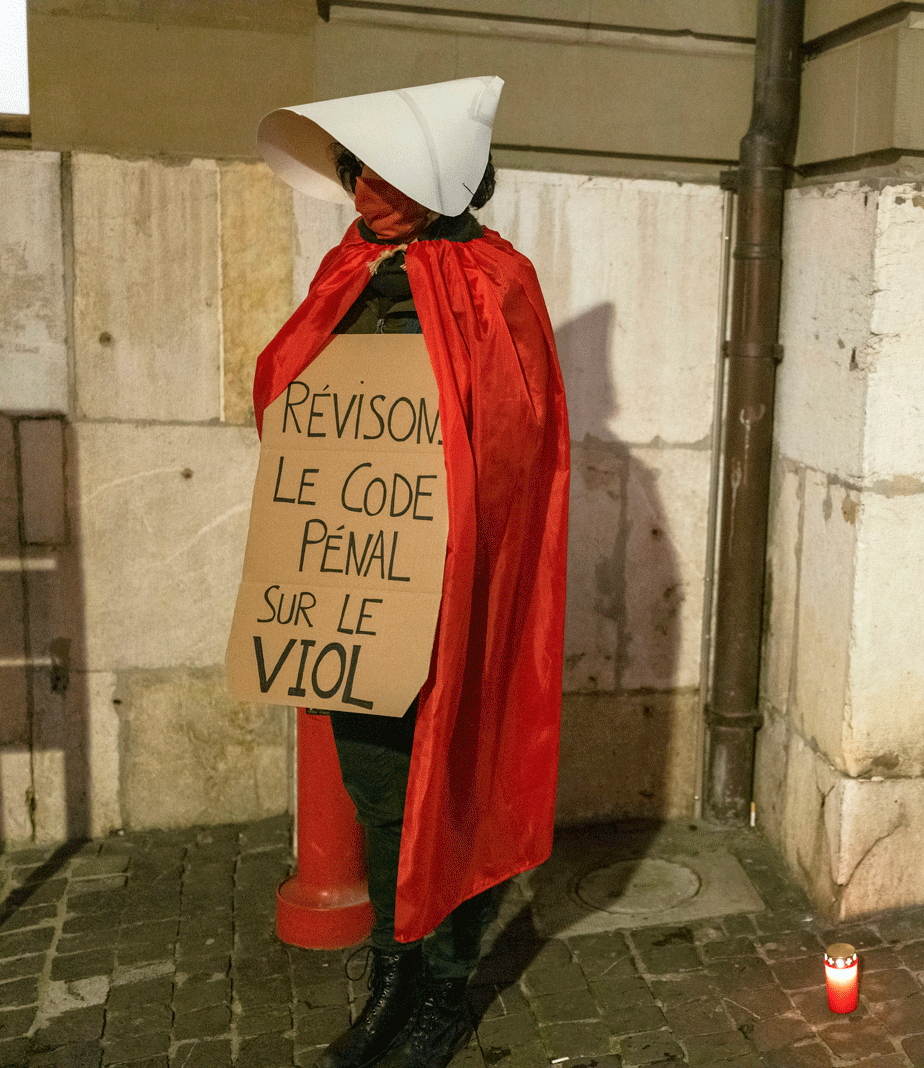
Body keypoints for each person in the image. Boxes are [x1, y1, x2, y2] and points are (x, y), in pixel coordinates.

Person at [253, 77, 569, 1068]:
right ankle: (393, 978)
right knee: (380, 785)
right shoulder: (347, 268)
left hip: (450, 586)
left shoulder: (495, 280)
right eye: (356, 166)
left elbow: (517, 442)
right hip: (359, 586)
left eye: (377, 166)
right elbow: (288, 392)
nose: (360, 184)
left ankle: (440, 990)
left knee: (452, 784)